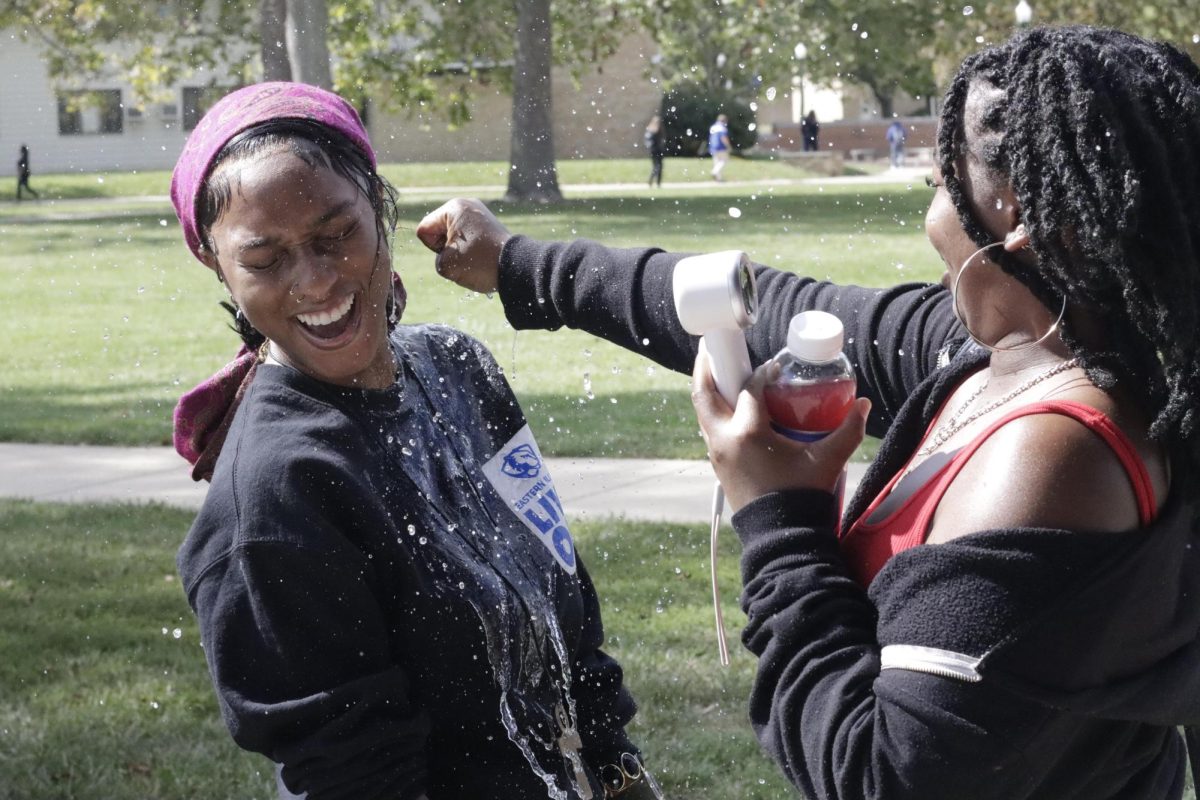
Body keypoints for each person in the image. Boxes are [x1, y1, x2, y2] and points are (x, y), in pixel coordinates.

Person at [417, 25, 1200, 800]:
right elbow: (777, 306)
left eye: (940, 186)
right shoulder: (1018, 351)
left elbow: (879, 775)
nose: (928, 216)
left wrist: (780, 519)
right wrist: (522, 264)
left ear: (1016, 214)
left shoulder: (1052, 461)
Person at [169, 82, 663, 800]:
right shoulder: (277, 498)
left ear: (381, 207)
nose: (314, 281)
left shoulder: (459, 369)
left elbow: (565, 618)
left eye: (336, 233)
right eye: (266, 259)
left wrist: (621, 776)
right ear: (220, 266)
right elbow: (354, 777)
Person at [707, 113, 730, 181]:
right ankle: (714, 172)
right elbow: (723, 138)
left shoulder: (713, 127)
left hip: (713, 147)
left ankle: (718, 179)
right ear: (724, 121)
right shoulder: (722, 128)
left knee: (716, 162)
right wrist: (728, 146)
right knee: (724, 161)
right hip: (721, 147)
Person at [643, 115, 664, 188]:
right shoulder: (651, 130)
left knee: (659, 167)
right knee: (656, 167)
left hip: (659, 151)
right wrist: (652, 147)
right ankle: (651, 181)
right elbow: (648, 141)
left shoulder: (659, 130)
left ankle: (658, 183)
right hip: (654, 151)